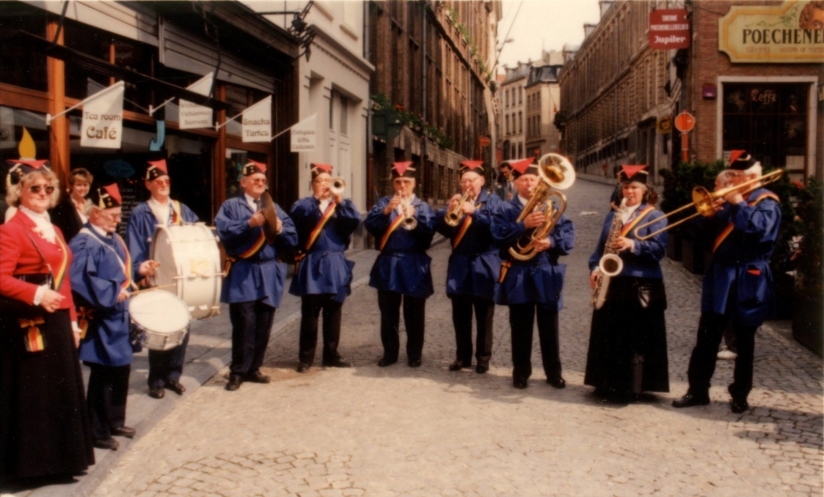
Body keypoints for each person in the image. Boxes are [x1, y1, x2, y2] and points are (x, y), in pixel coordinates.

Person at [0, 158, 95, 481]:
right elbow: (0, 277)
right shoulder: (11, 229)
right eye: (34, 187)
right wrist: (36, 295)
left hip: (57, 321)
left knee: (60, 392)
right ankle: (33, 467)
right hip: (29, 322)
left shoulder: (53, 228)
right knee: (34, 396)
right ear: (19, 192)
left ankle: (62, 461)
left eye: (48, 187)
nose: (42, 192)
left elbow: (63, 277)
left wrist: (71, 320)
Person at [673, 151, 782, 414]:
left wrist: (739, 204)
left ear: (753, 177)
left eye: (736, 175)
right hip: (721, 275)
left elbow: (759, 234)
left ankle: (740, 394)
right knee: (707, 336)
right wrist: (709, 216)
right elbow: (701, 238)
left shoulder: (767, 202)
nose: (731, 179)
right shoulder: (731, 201)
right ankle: (697, 390)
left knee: (744, 340)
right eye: (731, 175)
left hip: (749, 275)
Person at [71, 184, 154, 450]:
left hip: (119, 317)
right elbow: (79, 280)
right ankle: (97, 430)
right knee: (103, 374)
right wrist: (111, 292)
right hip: (102, 318)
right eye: (113, 215)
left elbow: (122, 274)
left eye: (119, 215)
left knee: (122, 370)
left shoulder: (112, 238)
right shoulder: (83, 242)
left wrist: (140, 270)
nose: (118, 220)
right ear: (95, 213)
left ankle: (115, 420)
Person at [584, 165, 670, 403]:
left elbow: (660, 250)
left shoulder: (655, 216)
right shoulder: (612, 216)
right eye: (626, 187)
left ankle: (633, 386)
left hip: (640, 282)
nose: (629, 192)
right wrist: (595, 267)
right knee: (608, 333)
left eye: (634, 188)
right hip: (613, 281)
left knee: (634, 336)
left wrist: (633, 245)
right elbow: (599, 249)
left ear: (645, 191)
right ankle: (605, 382)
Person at [491, 156, 575, 389]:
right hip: (519, 272)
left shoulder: (552, 206)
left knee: (550, 326)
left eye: (533, 180)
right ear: (515, 183)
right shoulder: (505, 208)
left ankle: (553, 372)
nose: (530, 185)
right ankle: (521, 373)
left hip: (546, 272)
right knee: (520, 326)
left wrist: (551, 242)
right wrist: (523, 225)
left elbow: (568, 238)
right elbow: (497, 236)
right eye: (525, 180)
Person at [215, 159, 297, 391]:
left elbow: (292, 237)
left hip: (270, 270)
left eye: (263, 180)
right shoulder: (231, 206)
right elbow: (224, 231)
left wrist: (280, 228)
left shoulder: (274, 207)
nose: (260, 183)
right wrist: (249, 223)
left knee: (264, 323)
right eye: (255, 180)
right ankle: (238, 372)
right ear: (244, 183)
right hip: (244, 270)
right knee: (244, 323)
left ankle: (254, 368)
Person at [126, 159, 199, 400]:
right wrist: (140, 270)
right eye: (158, 182)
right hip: (156, 278)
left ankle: (173, 377)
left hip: (180, 278)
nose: (164, 184)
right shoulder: (140, 212)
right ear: (148, 184)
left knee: (183, 327)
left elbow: (196, 233)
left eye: (166, 181)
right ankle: (156, 380)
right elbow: (135, 246)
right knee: (161, 328)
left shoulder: (180, 209)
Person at [288, 163, 361, 373]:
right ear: (312, 184)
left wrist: (339, 201)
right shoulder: (303, 205)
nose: (325, 185)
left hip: (335, 263)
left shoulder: (341, 205)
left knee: (334, 313)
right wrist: (319, 202)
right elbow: (297, 218)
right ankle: (306, 357)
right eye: (320, 181)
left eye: (328, 181)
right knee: (310, 314)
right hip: (312, 262)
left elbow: (354, 222)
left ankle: (331, 355)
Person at [365, 161, 435, 368]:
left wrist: (413, 216)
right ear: (393, 183)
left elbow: (429, 233)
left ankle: (414, 354)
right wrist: (386, 212)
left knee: (414, 313)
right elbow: (370, 226)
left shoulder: (422, 206)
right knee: (388, 313)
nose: (402, 186)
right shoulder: (383, 204)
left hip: (414, 261)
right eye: (398, 181)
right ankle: (390, 353)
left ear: (414, 184)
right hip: (389, 262)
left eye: (406, 181)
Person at [435, 160, 502, 374]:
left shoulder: (494, 202)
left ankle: (483, 358)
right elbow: (444, 231)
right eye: (463, 181)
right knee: (460, 314)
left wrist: (474, 212)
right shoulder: (457, 201)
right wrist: (449, 211)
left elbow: (497, 229)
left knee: (484, 315)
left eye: (471, 180)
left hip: (484, 263)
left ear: (482, 180)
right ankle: (462, 357)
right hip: (460, 264)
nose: (467, 185)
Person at [49, 167, 93, 243]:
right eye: (78, 185)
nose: (82, 188)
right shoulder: (62, 208)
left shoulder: (91, 205)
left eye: (85, 185)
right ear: (72, 186)